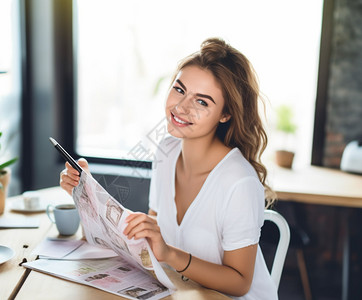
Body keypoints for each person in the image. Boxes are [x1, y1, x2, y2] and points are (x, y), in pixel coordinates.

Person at [60, 37, 277, 299]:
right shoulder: (167, 149)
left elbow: (240, 282)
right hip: (184, 290)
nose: (181, 107)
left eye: (202, 102)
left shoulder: (239, 182)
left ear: (225, 114)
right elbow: (156, 230)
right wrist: (88, 195)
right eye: (180, 89)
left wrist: (171, 255)